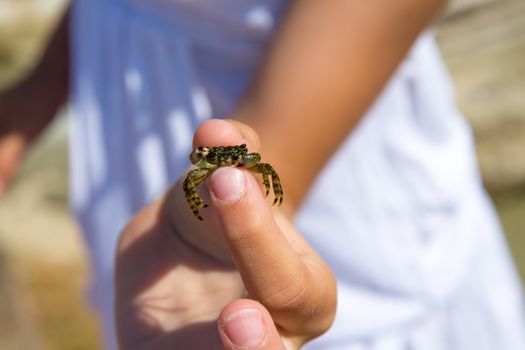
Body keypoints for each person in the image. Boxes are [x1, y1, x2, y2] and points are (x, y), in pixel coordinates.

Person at [1, 0, 525, 349]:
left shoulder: (249, 168)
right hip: (130, 103)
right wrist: (42, 86)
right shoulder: (194, 179)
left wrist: (271, 193)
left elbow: (265, 170)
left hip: (321, 120)